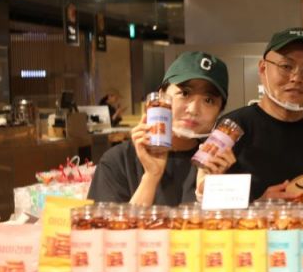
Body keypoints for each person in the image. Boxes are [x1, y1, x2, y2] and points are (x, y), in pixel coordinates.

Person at [88, 52, 231, 206]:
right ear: (162, 95)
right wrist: (151, 177)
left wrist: (214, 189)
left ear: (220, 111)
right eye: (184, 93)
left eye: (208, 100)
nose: (193, 109)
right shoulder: (118, 160)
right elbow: (106, 221)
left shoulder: (222, 164)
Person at [223, 28, 303, 201]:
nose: (296, 78)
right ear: (263, 69)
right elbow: (211, 200)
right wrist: (259, 205)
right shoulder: (231, 128)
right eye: (286, 66)